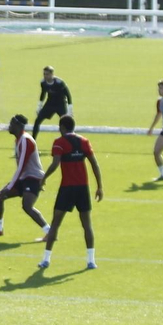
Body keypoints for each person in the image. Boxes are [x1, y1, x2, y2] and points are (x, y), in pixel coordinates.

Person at [39, 114, 104, 271]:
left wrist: (44, 177)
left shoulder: (59, 143)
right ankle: (91, 260)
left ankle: (46, 260)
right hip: (83, 188)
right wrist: (99, 187)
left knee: (55, 223)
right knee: (87, 224)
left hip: (67, 188)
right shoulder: (84, 141)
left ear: (62, 127)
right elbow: (94, 164)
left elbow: (55, 164)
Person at [0, 114, 49, 239]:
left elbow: (21, 166)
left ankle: (49, 232)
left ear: (18, 126)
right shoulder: (18, 139)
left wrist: (10, 186)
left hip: (33, 178)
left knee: (27, 206)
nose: (9, 126)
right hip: (24, 178)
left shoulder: (26, 140)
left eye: (11, 124)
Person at [34, 65, 72, 134]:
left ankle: (67, 140)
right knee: (37, 120)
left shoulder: (60, 83)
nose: (45, 76)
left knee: (65, 124)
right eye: (44, 74)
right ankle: (33, 140)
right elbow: (43, 94)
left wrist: (69, 110)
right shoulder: (43, 83)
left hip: (60, 104)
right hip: (50, 103)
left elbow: (68, 95)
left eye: (47, 74)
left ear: (52, 74)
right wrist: (39, 106)